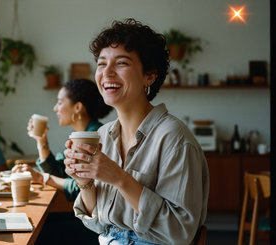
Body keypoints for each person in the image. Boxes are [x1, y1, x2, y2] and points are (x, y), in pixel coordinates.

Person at [63, 19, 209, 244]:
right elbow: (99, 223)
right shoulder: (102, 135)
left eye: (121, 63)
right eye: (102, 64)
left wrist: (120, 178)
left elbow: (180, 232)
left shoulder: (174, 138)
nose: (107, 73)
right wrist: (84, 181)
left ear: (149, 76)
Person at [13, 78, 112, 202]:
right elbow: (58, 172)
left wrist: (40, 177)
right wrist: (41, 141)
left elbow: (82, 188)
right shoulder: (80, 135)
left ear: (77, 108)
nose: (55, 108)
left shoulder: (94, 137)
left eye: (60, 103)